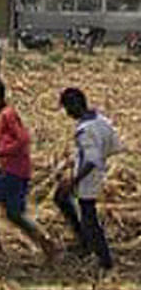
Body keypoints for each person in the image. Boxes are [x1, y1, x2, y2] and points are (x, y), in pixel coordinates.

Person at [0, 78, 57, 262]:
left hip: (10, 170)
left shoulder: (7, 114)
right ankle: (45, 243)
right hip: (19, 170)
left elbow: (23, 140)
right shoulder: (5, 114)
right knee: (13, 214)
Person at [54, 87, 121, 271]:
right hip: (96, 171)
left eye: (67, 108)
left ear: (74, 106)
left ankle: (103, 259)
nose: (67, 113)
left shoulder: (84, 130)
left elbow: (91, 160)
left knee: (88, 216)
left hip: (87, 177)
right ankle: (85, 242)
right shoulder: (101, 121)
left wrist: (74, 179)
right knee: (62, 199)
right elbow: (114, 145)